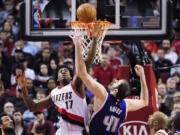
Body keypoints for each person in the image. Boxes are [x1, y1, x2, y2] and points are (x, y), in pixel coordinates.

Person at [16, 23, 102, 135]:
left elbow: (88, 62)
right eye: (61, 71)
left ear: (72, 77)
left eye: (66, 71)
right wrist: (23, 89)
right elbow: (33, 107)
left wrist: (94, 38)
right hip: (61, 132)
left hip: (78, 131)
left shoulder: (76, 85)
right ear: (57, 78)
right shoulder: (54, 93)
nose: (64, 72)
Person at [73, 33, 149, 135]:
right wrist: (142, 76)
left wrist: (78, 46)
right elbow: (145, 101)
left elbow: (81, 73)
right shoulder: (125, 105)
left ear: (115, 90)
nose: (115, 81)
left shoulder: (103, 95)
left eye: (117, 82)